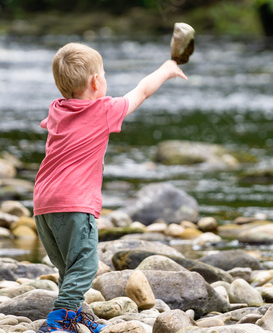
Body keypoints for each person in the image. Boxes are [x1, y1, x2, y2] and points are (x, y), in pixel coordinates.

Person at [33, 42, 187, 333]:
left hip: (43, 203)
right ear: (95, 81)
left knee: (69, 265)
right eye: (103, 72)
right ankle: (57, 322)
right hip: (74, 203)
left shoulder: (56, 109)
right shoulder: (103, 110)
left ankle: (75, 314)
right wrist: (166, 70)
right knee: (85, 265)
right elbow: (141, 91)